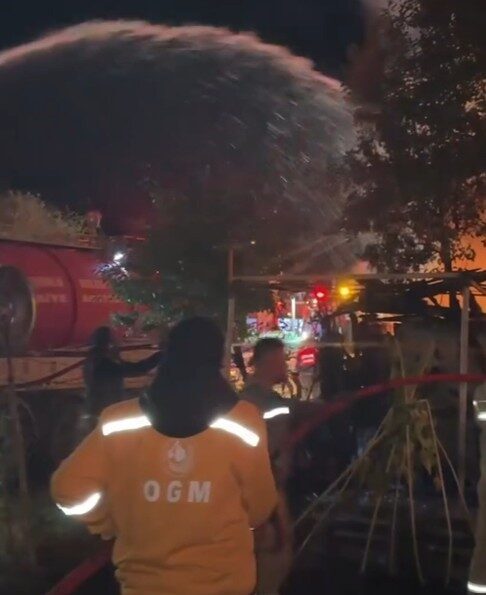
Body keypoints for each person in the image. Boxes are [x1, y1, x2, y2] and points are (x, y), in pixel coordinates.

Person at [52, 317, 277, 595]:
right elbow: (260, 506)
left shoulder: (118, 421)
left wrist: (108, 521)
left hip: (144, 586)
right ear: (217, 358)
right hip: (222, 583)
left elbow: (67, 488)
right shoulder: (244, 421)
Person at [241, 338, 293, 595]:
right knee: (273, 556)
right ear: (269, 362)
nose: (285, 367)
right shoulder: (266, 404)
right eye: (282, 361)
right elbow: (272, 445)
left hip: (260, 488)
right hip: (267, 489)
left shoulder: (244, 400)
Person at [83, 326, 161, 418]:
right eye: (114, 341)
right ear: (109, 344)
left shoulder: (94, 360)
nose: (118, 345)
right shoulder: (104, 364)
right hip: (104, 412)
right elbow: (136, 369)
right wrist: (160, 355)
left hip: (97, 410)